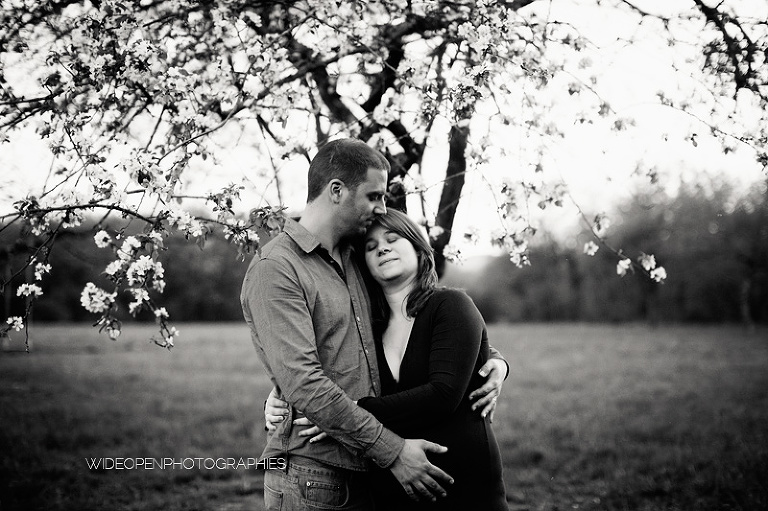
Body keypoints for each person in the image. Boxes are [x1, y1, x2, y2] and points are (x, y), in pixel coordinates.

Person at [241, 138, 508, 511]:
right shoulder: (278, 267)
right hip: (314, 471)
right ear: (336, 191)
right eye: (374, 196)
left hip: (371, 472)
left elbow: (418, 321)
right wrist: (393, 450)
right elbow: (302, 380)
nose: (381, 208)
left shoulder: (352, 261)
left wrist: (492, 361)